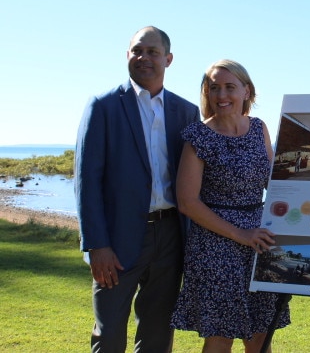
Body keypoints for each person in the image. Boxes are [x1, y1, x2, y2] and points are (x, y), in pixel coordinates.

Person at [75, 26, 199, 352]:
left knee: (158, 333)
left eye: (152, 52)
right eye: (137, 51)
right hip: (116, 241)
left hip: (171, 236)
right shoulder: (102, 107)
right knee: (110, 331)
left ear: (168, 59)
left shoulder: (187, 112)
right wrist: (97, 245)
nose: (144, 58)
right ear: (127, 55)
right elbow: (87, 182)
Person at [170, 59, 290, 352]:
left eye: (229, 87)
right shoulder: (198, 136)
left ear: (247, 91)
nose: (222, 95)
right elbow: (187, 202)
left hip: (261, 241)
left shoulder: (259, 128)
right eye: (214, 88)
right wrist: (240, 234)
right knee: (221, 335)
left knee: (261, 333)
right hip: (215, 245)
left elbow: (272, 185)